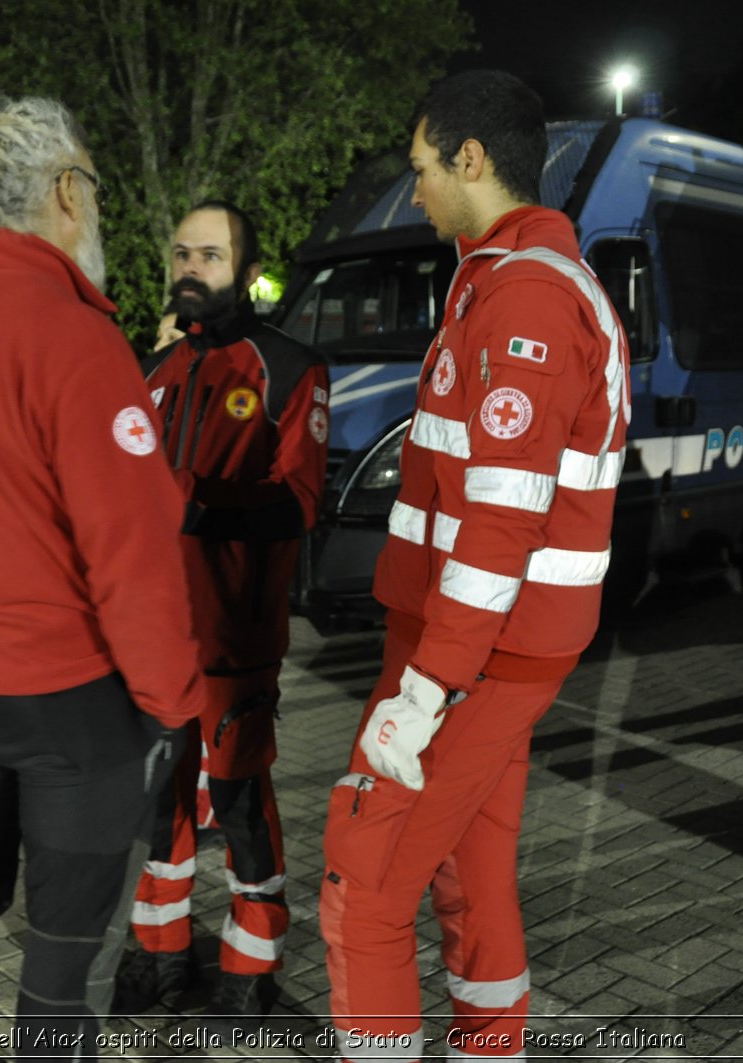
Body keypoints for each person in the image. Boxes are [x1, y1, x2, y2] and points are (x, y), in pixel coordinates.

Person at [0, 40, 205, 1058]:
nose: (95, 210)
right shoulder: (74, 337)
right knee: (66, 954)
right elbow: (134, 550)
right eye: (94, 189)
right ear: (64, 191)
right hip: (75, 702)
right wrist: (172, 699)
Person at [319, 70, 631, 1061]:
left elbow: (499, 523)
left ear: (470, 158)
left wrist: (427, 687)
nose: (413, 194)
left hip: (476, 655)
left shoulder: (524, 298)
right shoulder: (501, 279)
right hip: (485, 647)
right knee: (467, 867)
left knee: (363, 885)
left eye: (420, 170)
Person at [115, 202, 328, 1036]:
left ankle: (252, 959)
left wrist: (196, 503)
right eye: (180, 252)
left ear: (244, 267)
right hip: (147, 639)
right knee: (153, 805)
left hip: (232, 638)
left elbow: (300, 504)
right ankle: (160, 952)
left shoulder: (288, 364)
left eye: (210, 253)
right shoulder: (154, 369)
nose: (190, 267)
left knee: (237, 802)